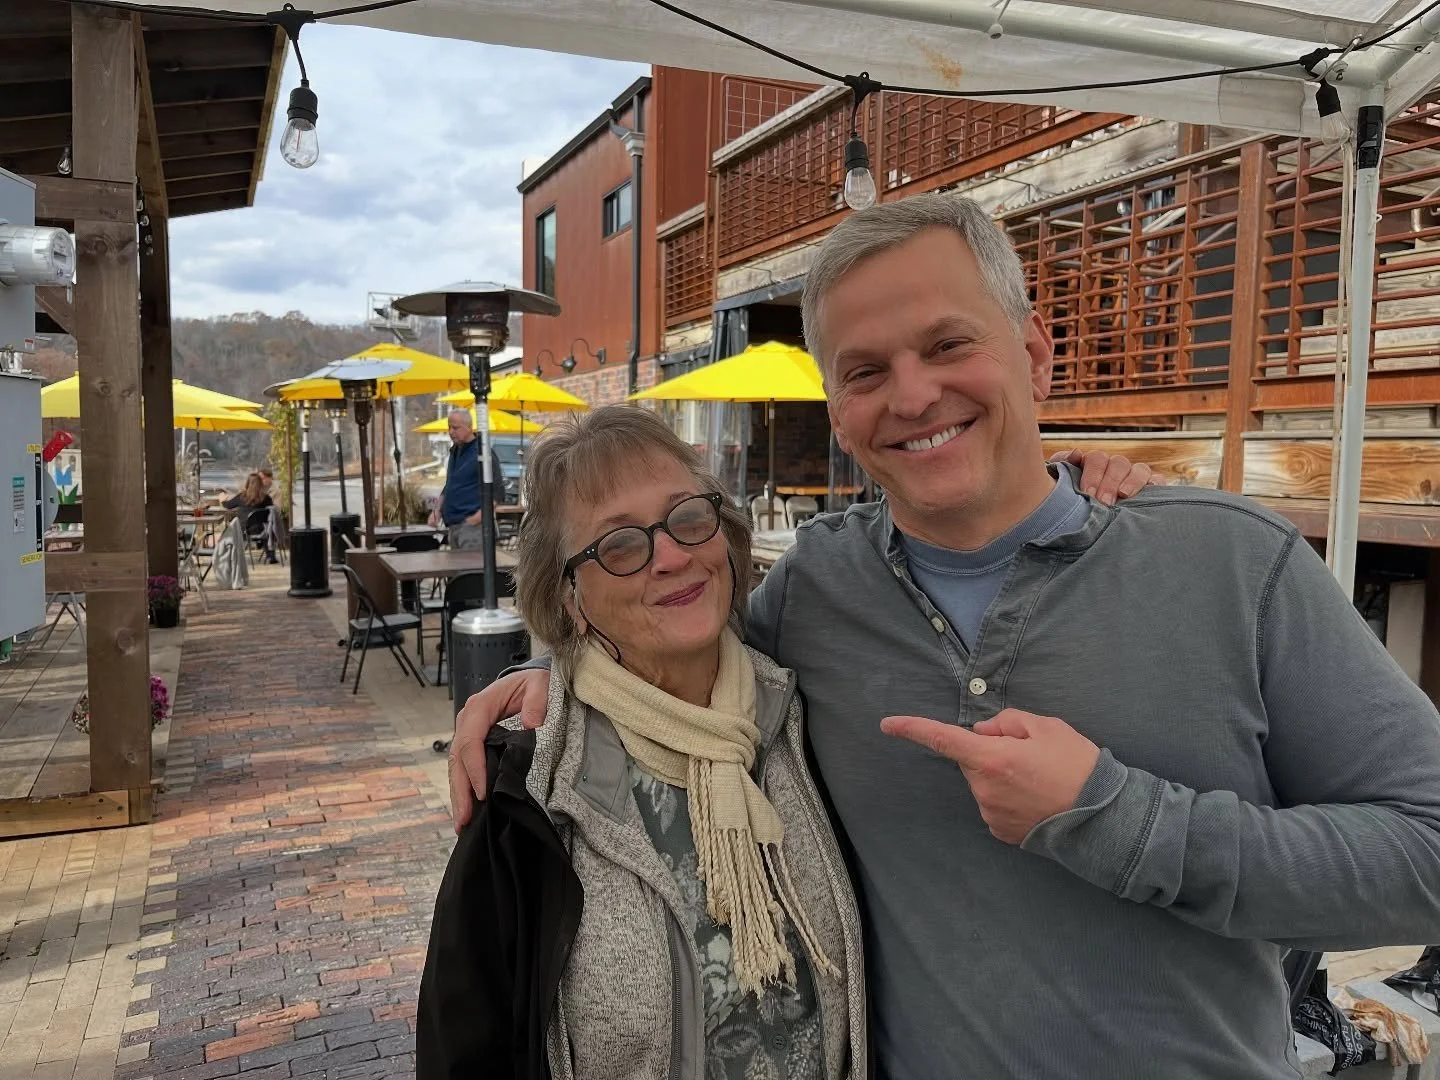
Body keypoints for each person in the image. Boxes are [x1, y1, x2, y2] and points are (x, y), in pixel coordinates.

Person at [446, 193, 1440, 1080]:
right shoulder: (815, 591)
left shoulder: (1233, 564)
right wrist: (553, 670)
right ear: (841, 414)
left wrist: (1118, 818)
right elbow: (668, 630)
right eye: (866, 371)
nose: (913, 395)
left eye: (949, 345)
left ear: (1036, 354)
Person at [416, 407, 868, 1079]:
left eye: (688, 517)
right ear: (570, 599)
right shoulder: (527, 793)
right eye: (621, 545)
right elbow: (466, 1054)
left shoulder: (800, 718)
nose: (673, 556)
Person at [427, 408, 504, 551]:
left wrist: (477, 518)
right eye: (449, 427)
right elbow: (450, 485)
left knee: (471, 565)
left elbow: (497, 491)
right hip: (454, 526)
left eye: (455, 428)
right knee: (456, 565)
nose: (451, 432)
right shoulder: (455, 451)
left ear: (469, 427)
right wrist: (437, 510)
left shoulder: (482, 452)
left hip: (473, 528)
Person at [222, 472, 276, 564]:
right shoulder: (266, 498)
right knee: (269, 527)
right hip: (262, 530)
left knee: (227, 530)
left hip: (242, 531)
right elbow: (270, 513)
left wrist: (222, 499)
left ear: (247, 483)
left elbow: (228, 505)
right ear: (261, 484)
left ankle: (227, 555)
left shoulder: (242, 497)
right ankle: (270, 555)